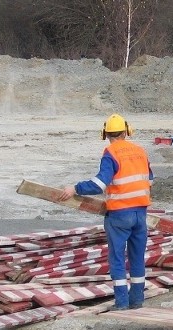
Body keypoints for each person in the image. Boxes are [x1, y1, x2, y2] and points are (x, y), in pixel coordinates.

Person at [58, 114, 152, 311]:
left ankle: (122, 303)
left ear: (106, 133)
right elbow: (150, 179)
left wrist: (75, 188)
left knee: (117, 258)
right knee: (137, 258)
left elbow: (100, 183)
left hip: (119, 214)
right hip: (140, 213)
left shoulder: (111, 153)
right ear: (127, 131)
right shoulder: (140, 151)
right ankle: (137, 301)